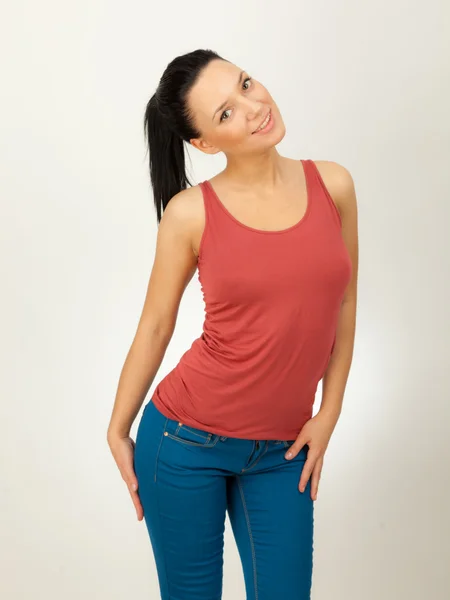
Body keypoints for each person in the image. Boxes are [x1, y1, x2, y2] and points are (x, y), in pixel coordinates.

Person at [107, 48, 358, 600]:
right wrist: (117, 428)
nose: (253, 106)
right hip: (182, 442)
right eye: (225, 113)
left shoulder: (333, 185)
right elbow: (155, 326)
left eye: (245, 84)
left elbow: (343, 304)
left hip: (283, 450)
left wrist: (330, 411)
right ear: (203, 143)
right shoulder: (190, 213)